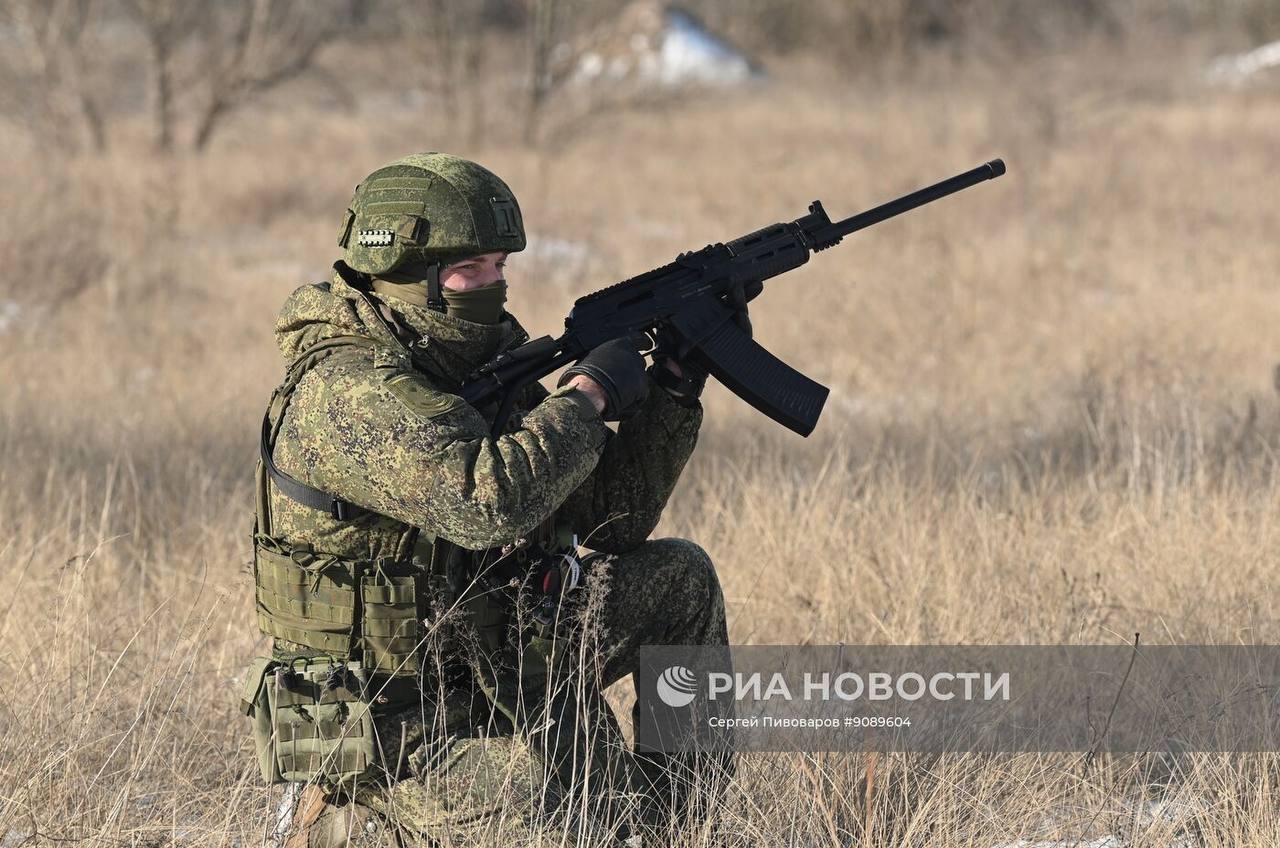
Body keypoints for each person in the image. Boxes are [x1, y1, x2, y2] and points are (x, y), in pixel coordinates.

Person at [241, 153, 735, 847]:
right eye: (471, 269)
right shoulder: (344, 390)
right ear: (405, 271)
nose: (494, 286)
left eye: (500, 266)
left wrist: (674, 387)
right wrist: (586, 399)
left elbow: (610, 518)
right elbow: (483, 504)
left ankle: (672, 825)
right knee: (537, 799)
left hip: (493, 658)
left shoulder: (476, 362)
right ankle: (344, 816)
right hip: (382, 716)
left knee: (681, 580)